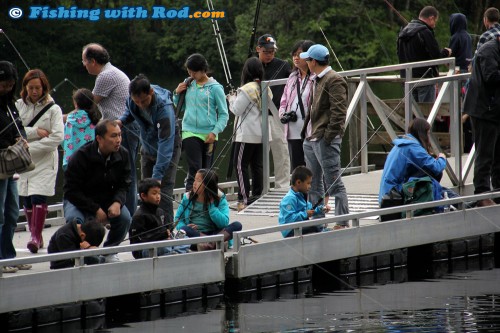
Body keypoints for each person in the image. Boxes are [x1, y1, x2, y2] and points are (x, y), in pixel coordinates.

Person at [82, 43, 140, 215]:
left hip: (124, 129)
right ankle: (122, 212)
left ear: (92, 61)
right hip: (125, 128)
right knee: (124, 173)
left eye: (84, 61)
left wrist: (64, 118)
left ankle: (128, 216)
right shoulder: (111, 72)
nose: (83, 64)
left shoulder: (105, 76)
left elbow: (88, 105)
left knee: (127, 175)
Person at [63, 119, 132, 262]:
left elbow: (124, 184)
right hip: (79, 200)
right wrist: (95, 209)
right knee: (74, 221)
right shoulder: (80, 156)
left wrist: (117, 202)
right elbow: (71, 190)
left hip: (106, 199)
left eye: (119, 135)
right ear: (99, 138)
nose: (118, 140)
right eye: (113, 136)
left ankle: (109, 251)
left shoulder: (123, 154)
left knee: (125, 218)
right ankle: (79, 253)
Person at [119, 74, 180, 225]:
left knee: (161, 191)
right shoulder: (132, 99)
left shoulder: (164, 109)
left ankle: (167, 230)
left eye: (144, 101)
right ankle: (148, 227)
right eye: (136, 101)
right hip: (147, 146)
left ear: (151, 92)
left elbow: (166, 144)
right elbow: (130, 110)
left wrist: (157, 176)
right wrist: (120, 121)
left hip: (168, 147)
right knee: (146, 191)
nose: (140, 104)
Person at [300, 44, 349, 228]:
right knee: (312, 184)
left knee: (334, 182)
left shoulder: (334, 79)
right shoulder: (316, 78)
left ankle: (342, 222)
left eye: (307, 59)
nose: (306, 62)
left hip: (324, 139)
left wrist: (328, 137)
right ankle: (318, 222)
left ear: (313, 62)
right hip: (311, 138)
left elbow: (339, 112)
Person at [15, 69, 64, 253]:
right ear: (25, 88)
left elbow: (57, 136)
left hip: (44, 159)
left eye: (38, 88)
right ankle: (37, 235)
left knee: (38, 195)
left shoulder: (54, 109)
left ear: (44, 87)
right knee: (26, 197)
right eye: (31, 88)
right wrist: (35, 132)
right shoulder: (18, 106)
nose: (34, 92)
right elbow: (15, 130)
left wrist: (31, 146)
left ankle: (35, 236)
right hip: (23, 160)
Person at [173, 54, 229, 191]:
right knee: (195, 168)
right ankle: (189, 199)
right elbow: (181, 106)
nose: (191, 74)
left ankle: (205, 202)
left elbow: (224, 114)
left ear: (203, 70)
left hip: (209, 134)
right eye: (189, 71)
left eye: (194, 71)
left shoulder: (216, 88)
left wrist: (214, 132)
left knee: (206, 172)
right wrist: (176, 92)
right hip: (189, 131)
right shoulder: (188, 83)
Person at [229, 57, 273, 211]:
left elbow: (236, 110)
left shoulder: (246, 89)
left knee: (240, 165)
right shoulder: (265, 87)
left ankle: (243, 199)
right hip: (262, 134)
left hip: (246, 134)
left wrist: (231, 98)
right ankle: (257, 196)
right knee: (257, 166)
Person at [0, 61, 32, 273]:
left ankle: (9, 256)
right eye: (3, 84)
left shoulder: (10, 103)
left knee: (12, 212)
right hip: (1, 160)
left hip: (10, 164)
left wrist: (21, 138)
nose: (7, 88)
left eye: (10, 84)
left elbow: (17, 124)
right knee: (0, 213)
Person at [463, 37, 500, 207]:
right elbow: (491, 76)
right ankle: (482, 193)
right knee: (484, 153)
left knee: (497, 153)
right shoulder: (488, 50)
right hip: (483, 110)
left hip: (494, 111)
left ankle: (497, 189)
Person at [379, 118, 448, 204]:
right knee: (435, 178)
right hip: (395, 196)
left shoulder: (402, 144)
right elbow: (437, 167)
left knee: (433, 184)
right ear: (422, 133)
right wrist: (442, 158)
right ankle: (462, 203)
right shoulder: (412, 147)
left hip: (387, 194)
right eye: (428, 133)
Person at [175, 169, 242, 251]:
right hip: (196, 234)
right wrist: (184, 226)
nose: (194, 183)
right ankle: (214, 244)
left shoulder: (219, 198)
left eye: (198, 181)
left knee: (237, 225)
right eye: (194, 180)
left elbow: (224, 223)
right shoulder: (187, 198)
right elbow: (177, 219)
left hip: (215, 233)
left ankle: (208, 244)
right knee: (185, 229)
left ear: (208, 185)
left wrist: (212, 207)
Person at [256, 34, 292, 189]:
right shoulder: (252, 65)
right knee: (258, 156)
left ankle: (282, 187)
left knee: (282, 153)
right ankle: (261, 188)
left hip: (277, 116)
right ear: (258, 49)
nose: (270, 54)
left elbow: (293, 85)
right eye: (266, 51)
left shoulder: (283, 65)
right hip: (257, 117)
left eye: (272, 51)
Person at [397, 6, 452, 102]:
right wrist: (446, 52)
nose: (434, 25)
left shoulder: (403, 32)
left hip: (407, 79)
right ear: (431, 18)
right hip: (424, 80)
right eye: (435, 21)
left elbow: (399, 54)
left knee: (412, 115)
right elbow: (436, 57)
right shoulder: (425, 32)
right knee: (426, 114)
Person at [129, 178, 189, 259]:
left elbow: (166, 230)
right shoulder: (139, 216)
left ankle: (172, 253)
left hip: (163, 243)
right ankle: (175, 252)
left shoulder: (160, 211)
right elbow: (140, 241)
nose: (158, 196)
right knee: (165, 247)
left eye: (159, 193)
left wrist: (169, 233)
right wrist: (162, 235)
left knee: (186, 238)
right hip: (145, 250)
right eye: (154, 193)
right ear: (143, 196)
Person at [279, 40, 316, 170]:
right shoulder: (292, 76)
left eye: (300, 54)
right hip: (293, 129)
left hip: (311, 129)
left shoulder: (316, 77)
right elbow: (284, 99)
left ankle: (316, 191)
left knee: (313, 166)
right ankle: (299, 191)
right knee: (297, 167)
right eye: (294, 54)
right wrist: (283, 113)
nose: (296, 57)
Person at [279, 166, 328, 238]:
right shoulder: (289, 199)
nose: (310, 186)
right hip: (290, 231)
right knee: (314, 228)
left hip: (299, 227)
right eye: (308, 183)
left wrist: (321, 209)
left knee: (316, 227)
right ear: (298, 182)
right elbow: (289, 219)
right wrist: (305, 214)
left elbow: (310, 209)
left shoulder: (301, 195)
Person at [62, 88, 102, 170]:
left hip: (72, 162)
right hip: (92, 163)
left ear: (76, 104)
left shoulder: (69, 121)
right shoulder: (95, 121)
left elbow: (63, 140)